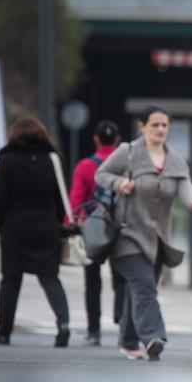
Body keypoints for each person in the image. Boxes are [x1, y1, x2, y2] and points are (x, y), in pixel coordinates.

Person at [95, 106, 192, 361]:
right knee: (144, 286)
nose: (160, 130)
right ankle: (153, 337)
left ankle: (128, 340)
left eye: (164, 125)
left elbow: (184, 186)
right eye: (155, 125)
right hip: (127, 236)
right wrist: (119, 183)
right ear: (142, 126)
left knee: (140, 289)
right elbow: (101, 174)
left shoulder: (175, 160)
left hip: (158, 241)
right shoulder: (129, 153)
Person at [0, 118, 71, 347]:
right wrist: (58, 224)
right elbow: (60, 198)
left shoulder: (7, 161)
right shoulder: (52, 160)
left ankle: (4, 332)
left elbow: (0, 198)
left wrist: (0, 224)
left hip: (15, 228)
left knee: (10, 281)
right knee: (50, 278)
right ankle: (63, 324)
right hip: (46, 227)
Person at [68, 120, 126, 346]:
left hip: (93, 229)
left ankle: (94, 331)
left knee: (92, 281)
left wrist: (73, 226)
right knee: (121, 279)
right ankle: (122, 324)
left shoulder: (85, 166)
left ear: (95, 139)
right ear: (118, 140)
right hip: (120, 227)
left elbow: (76, 199)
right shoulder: (126, 165)